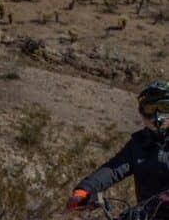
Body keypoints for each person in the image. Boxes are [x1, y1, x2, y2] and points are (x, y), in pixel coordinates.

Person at [67, 80, 169, 210]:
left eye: (165, 108)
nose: (157, 116)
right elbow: (114, 169)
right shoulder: (139, 143)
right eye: (150, 109)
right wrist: (84, 190)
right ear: (142, 112)